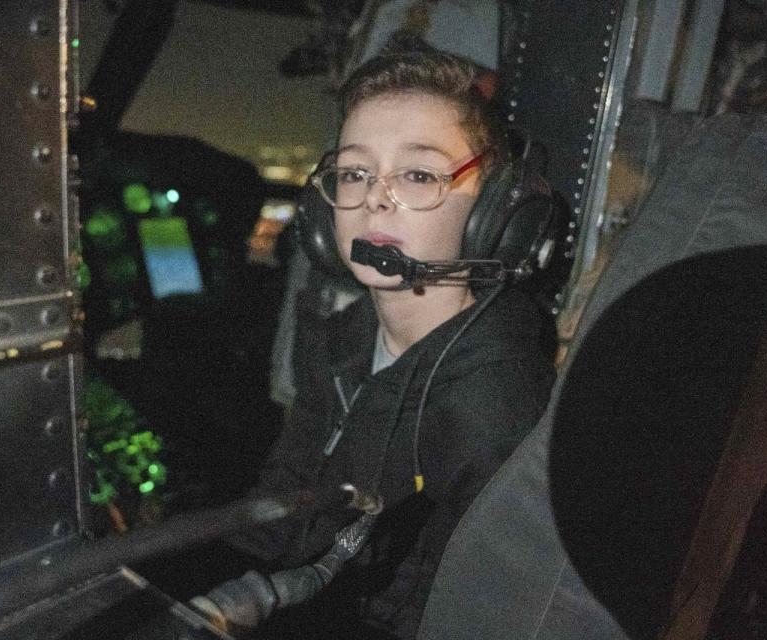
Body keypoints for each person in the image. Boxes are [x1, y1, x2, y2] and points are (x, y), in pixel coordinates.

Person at [196, 40, 557, 640]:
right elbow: (282, 500)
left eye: (418, 174)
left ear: (492, 212)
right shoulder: (344, 336)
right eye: (355, 172)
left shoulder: (496, 407)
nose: (373, 198)